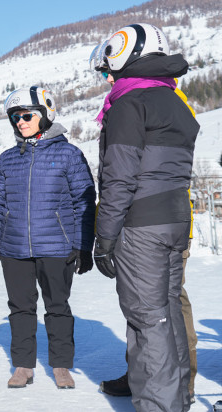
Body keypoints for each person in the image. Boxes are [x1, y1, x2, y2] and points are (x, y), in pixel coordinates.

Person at [89, 23, 198, 412]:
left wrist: (104, 238)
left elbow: (119, 178)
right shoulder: (176, 100)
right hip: (174, 221)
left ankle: (160, 406)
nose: (108, 75)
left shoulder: (129, 104)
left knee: (147, 320)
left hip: (141, 227)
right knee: (165, 315)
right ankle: (178, 397)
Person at [0, 87, 96, 390]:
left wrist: (84, 244)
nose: (20, 121)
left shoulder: (69, 154)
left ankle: (61, 365)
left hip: (57, 245)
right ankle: (23, 366)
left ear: (46, 114)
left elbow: (84, 201)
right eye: (15, 117)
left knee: (58, 307)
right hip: (14, 246)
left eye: (27, 115)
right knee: (20, 308)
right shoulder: (8, 159)